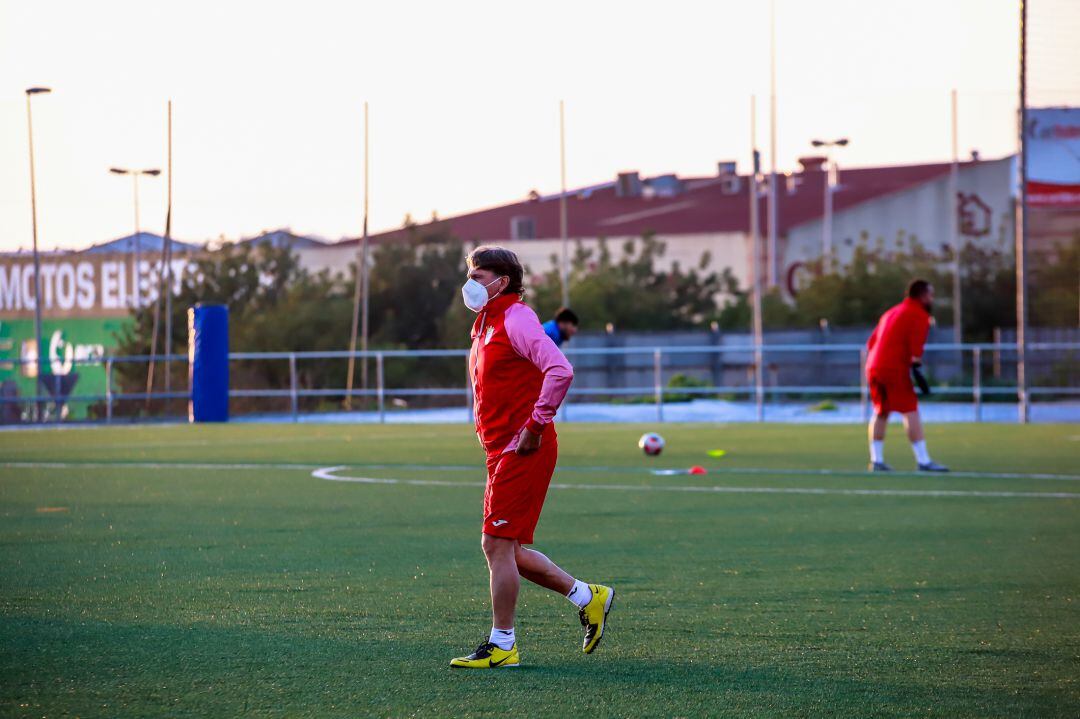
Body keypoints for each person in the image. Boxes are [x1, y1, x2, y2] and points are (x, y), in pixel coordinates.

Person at [450, 246, 614, 669]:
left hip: (523, 447)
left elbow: (559, 370)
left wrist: (535, 426)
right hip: (500, 449)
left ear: (501, 281)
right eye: (470, 274)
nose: (471, 283)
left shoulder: (516, 316)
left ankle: (503, 645)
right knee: (508, 549)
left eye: (479, 275)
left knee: (496, 544)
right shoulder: (483, 322)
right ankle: (588, 596)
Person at [865, 279, 949, 473]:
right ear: (921, 296)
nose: (932, 299)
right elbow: (915, 351)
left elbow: (871, 343)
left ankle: (876, 460)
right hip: (892, 367)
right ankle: (924, 461)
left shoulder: (891, 312)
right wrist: (917, 369)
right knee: (910, 409)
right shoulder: (918, 314)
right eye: (930, 295)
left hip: (873, 366)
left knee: (881, 410)